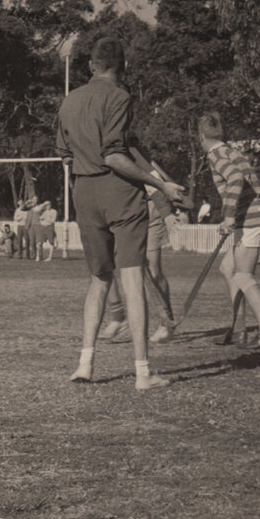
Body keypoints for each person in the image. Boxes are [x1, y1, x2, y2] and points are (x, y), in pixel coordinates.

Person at [56, 36, 186, 388]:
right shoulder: (120, 97)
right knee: (131, 280)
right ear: (122, 65)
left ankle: (85, 365)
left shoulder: (69, 100)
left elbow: (65, 155)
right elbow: (115, 155)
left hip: (84, 192)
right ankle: (143, 373)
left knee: (99, 279)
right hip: (118, 193)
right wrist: (160, 186)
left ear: (90, 66)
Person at [198, 111, 260, 349]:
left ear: (201, 136)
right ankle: (239, 330)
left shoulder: (215, 154)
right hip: (251, 216)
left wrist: (227, 217)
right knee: (228, 267)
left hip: (251, 217)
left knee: (243, 275)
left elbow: (235, 179)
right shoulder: (231, 151)